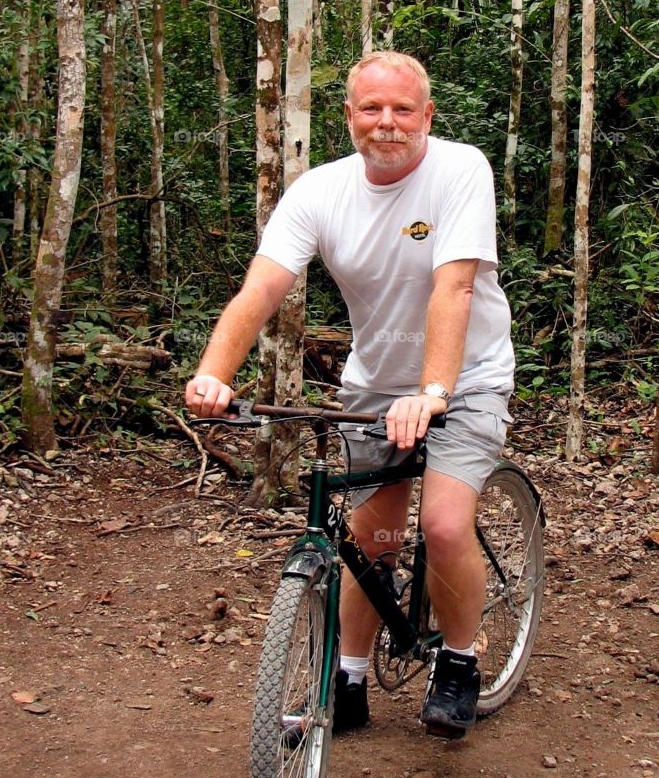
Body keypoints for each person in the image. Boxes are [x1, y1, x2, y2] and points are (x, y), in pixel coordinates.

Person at [186, 51, 514, 736]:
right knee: (370, 540)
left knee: (444, 524)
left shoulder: (461, 169)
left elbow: (452, 287)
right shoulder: (319, 192)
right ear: (349, 117)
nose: (386, 123)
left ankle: (457, 661)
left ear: (426, 115)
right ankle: (350, 678)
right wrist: (215, 372)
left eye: (401, 109)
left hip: (466, 376)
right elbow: (262, 289)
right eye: (372, 108)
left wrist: (433, 391)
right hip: (374, 387)